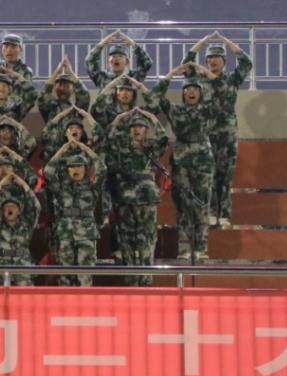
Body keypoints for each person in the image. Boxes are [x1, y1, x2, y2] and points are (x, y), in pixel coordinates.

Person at [182, 32, 253, 225]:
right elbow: (186, 64)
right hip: (206, 132)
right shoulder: (200, 79)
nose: (213, 61)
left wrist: (228, 43)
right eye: (210, 58)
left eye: (217, 58)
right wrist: (201, 42)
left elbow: (247, 63)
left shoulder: (232, 79)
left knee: (226, 175)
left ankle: (224, 215)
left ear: (224, 61)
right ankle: (211, 212)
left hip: (228, 134)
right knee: (209, 175)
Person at [149, 62, 218, 260]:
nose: (191, 92)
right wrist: (171, 74)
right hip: (181, 162)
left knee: (202, 204)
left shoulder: (208, 109)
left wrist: (205, 72)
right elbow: (155, 96)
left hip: (203, 162)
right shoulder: (176, 111)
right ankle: (185, 248)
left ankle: (201, 248)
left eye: (195, 89)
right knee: (183, 206)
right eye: (187, 89)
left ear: (201, 92)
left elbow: (223, 91)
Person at [105, 109, 168, 281]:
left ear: (146, 129)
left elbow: (163, 138)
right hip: (125, 200)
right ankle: (130, 281)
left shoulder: (151, 149)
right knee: (126, 240)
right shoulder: (120, 148)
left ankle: (146, 280)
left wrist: (152, 117)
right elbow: (108, 139)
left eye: (140, 126)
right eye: (133, 126)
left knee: (147, 240)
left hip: (146, 200)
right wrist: (118, 118)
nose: (137, 129)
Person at [44, 141, 107, 285]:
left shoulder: (92, 187)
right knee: (65, 278)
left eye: (79, 166)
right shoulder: (61, 187)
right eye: (71, 166)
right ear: (67, 170)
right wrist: (63, 148)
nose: (75, 169)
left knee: (85, 277)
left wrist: (85, 148)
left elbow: (102, 169)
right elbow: (48, 172)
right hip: (65, 234)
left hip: (86, 234)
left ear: (86, 168)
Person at [0, 173, 41, 285]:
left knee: (24, 295)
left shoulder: (26, 225)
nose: (10, 209)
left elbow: (36, 207)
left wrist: (23, 184)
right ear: (2, 211)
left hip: (22, 268)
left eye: (13, 207)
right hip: (0, 268)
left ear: (19, 211)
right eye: (6, 207)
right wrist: (1, 184)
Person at [85, 30, 152, 89]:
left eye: (120, 56)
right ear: (108, 62)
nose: (116, 59)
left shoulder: (134, 77)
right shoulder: (102, 78)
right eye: (113, 56)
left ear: (127, 62)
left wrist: (133, 44)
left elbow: (147, 63)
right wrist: (102, 44)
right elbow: (89, 61)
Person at [37, 56, 91, 123]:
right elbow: (42, 96)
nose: (63, 88)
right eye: (60, 85)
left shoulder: (76, 109)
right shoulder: (50, 107)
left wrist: (71, 73)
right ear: (55, 87)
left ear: (73, 89)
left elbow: (84, 96)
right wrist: (57, 72)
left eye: (67, 86)